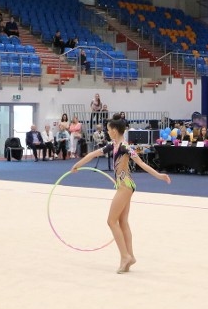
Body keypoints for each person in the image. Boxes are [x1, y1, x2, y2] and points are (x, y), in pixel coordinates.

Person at [71, 116, 171, 274]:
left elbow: (141, 163)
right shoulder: (113, 145)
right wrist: (76, 165)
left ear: (115, 130)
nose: (108, 132)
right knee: (122, 222)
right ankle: (129, 256)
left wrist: (159, 176)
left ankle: (124, 256)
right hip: (125, 185)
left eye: (109, 129)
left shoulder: (124, 146)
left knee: (111, 221)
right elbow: (92, 155)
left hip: (125, 185)